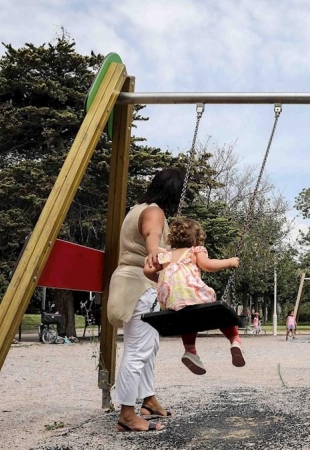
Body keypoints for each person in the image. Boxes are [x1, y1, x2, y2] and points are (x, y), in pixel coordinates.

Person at [107, 168, 184, 433]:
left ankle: (148, 400)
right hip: (139, 285)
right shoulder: (154, 212)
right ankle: (127, 415)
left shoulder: (135, 209)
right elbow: (152, 235)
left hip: (130, 284)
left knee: (148, 348)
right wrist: (155, 253)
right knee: (137, 351)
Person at [147, 218, 243, 375]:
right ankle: (235, 341)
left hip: (171, 300)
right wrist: (230, 262)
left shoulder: (166, 255)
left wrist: (161, 280)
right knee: (220, 314)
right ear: (197, 238)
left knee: (188, 320)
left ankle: (190, 351)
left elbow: (148, 271)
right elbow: (208, 265)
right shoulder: (195, 251)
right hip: (192, 294)